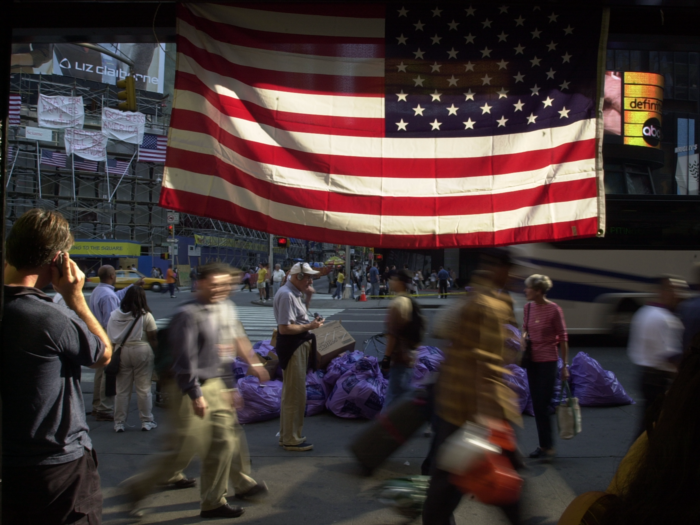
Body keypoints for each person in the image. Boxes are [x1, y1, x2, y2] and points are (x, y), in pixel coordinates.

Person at [126, 263, 269, 519]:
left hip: (216, 383)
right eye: (214, 285)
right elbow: (184, 359)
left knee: (225, 441)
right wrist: (195, 394)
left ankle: (214, 501)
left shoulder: (225, 308)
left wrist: (238, 379)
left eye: (225, 285)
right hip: (189, 386)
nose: (220, 290)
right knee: (182, 449)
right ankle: (138, 488)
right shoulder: (188, 314)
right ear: (200, 284)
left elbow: (230, 346)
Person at [2, 208, 112, 524]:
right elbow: (102, 354)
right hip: (57, 469)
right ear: (59, 261)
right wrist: (75, 298)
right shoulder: (49, 317)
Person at [424, 249, 522, 525]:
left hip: (457, 404)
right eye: (510, 269)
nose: (515, 275)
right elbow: (486, 365)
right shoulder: (487, 305)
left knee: (451, 480)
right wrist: (487, 417)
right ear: (499, 269)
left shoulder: (486, 298)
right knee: (453, 483)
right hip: (469, 408)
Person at [627, 276, 686, 438]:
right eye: (675, 291)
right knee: (653, 428)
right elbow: (670, 356)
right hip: (659, 381)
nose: (679, 295)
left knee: (648, 424)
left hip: (645, 376)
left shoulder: (643, 312)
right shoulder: (665, 319)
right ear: (663, 292)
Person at [274, 262, 324, 451]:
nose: (311, 281)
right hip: (293, 347)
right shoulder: (287, 294)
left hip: (297, 346)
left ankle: (288, 436)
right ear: (298, 277)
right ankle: (290, 439)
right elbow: (285, 328)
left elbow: (298, 318)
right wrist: (310, 327)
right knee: (295, 396)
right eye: (308, 277)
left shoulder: (293, 293)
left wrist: (308, 299)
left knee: (293, 395)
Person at [522, 274, 569, 461]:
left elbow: (563, 337)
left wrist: (565, 365)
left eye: (528, 288)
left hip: (548, 361)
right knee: (537, 405)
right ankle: (544, 446)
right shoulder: (528, 308)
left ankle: (548, 447)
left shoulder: (554, 310)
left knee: (542, 404)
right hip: (531, 361)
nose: (525, 291)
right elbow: (525, 328)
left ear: (539, 291)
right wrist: (522, 338)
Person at [88, 264, 143, 421]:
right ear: (112, 276)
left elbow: (117, 295)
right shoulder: (108, 296)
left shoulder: (99, 291)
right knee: (108, 374)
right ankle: (104, 408)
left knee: (100, 373)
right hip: (107, 336)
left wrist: (133, 285)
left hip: (97, 335)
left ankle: (97, 405)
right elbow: (112, 321)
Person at [107, 286, 158, 433]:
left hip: (121, 351)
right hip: (142, 350)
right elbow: (153, 337)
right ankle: (146, 421)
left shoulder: (114, 315)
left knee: (122, 390)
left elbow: (110, 337)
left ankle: (119, 423)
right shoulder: (145, 315)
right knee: (143, 389)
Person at [381, 269, 424, 409]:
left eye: (392, 279)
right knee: (401, 393)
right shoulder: (408, 300)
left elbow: (393, 335)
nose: (390, 282)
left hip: (401, 357)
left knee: (394, 396)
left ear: (399, 282)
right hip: (409, 355)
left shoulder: (397, 303)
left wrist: (386, 358)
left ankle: (383, 429)